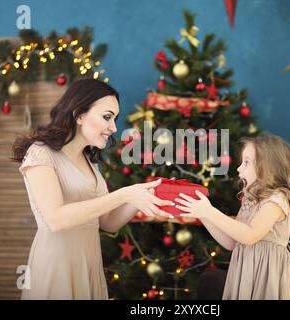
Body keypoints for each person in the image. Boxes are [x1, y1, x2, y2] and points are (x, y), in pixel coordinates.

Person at [12, 79, 174, 299]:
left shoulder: (90, 161)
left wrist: (139, 195)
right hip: (56, 267)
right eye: (107, 117)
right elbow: (56, 219)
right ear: (79, 114)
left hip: (89, 266)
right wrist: (124, 194)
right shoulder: (40, 154)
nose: (114, 128)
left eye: (114, 119)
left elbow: (108, 222)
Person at [175, 134, 290, 299]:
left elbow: (250, 235)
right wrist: (204, 215)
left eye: (246, 162)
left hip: (266, 278)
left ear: (268, 167)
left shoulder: (277, 199)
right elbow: (232, 242)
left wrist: (210, 212)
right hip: (245, 274)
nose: (238, 168)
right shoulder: (250, 201)